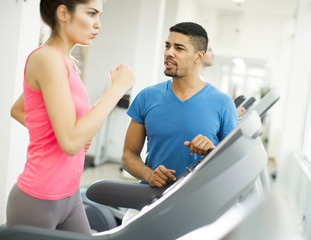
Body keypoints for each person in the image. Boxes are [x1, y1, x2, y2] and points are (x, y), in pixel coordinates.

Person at [6, 0, 135, 235]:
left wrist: (61, 132)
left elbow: (20, 109)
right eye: (92, 13)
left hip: (70, 195)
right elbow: (71, 142)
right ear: (63, 12)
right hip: (38, 199)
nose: (98, 24)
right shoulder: (46, 59)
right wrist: (117, 89)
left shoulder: (67, 62)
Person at [121, 22, 238, 189]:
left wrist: (213, 151)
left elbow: (233, 161)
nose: (169, 53)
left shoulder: (223, 103)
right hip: (152, 199)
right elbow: (128, 156)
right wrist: (149, 175)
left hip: (199, 200)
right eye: (167, 46)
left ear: (199, 57)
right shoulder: (147, 97)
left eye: (179, 48)